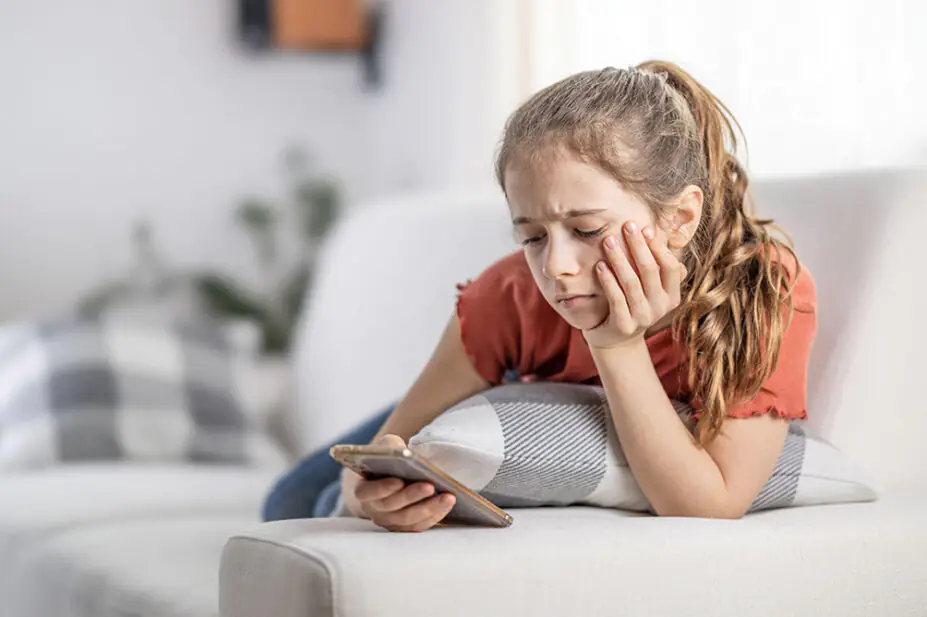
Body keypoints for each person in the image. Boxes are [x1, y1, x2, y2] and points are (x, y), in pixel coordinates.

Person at [261, 60, 817, 531]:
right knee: (287, 504)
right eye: (531, 236)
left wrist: (616, 347)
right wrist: (363, 497)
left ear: (680, 218)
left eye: (588, 230)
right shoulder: (510, 292)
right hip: (492, 387)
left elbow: (709, 507)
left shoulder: (761, 292)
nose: (555, 267)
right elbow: (381, 455)